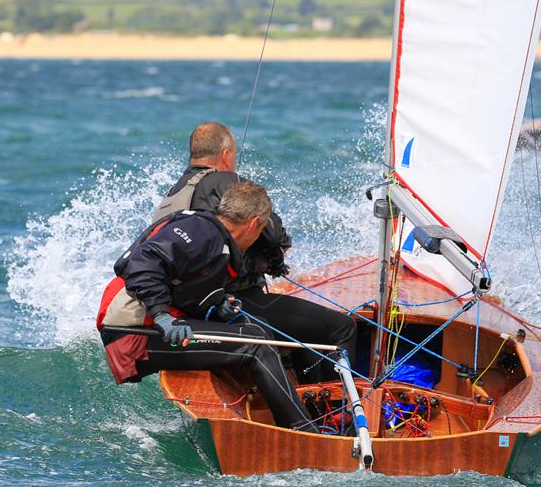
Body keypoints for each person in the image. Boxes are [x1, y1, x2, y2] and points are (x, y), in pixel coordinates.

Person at [96, 182, 314, 431]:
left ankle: (280, 409)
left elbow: (184, 285)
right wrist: (162, 315)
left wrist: (217, 304)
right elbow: (143, 262)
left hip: (148, 328)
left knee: (255, 330)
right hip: (132, 336)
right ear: (254, 223)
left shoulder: (212, 234)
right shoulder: (202, 233)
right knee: (257, 345)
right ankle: (303, 431)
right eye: (262, 228)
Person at [153, 121, 357, 384]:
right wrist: (275, 257)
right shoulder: (225, 181)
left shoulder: (177, 191)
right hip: (233, 301)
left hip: (190, 303)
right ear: (226, 154)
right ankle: (338, 410)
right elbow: (274, 234)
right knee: (342, 328)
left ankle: (305, 386)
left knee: (303, 329)